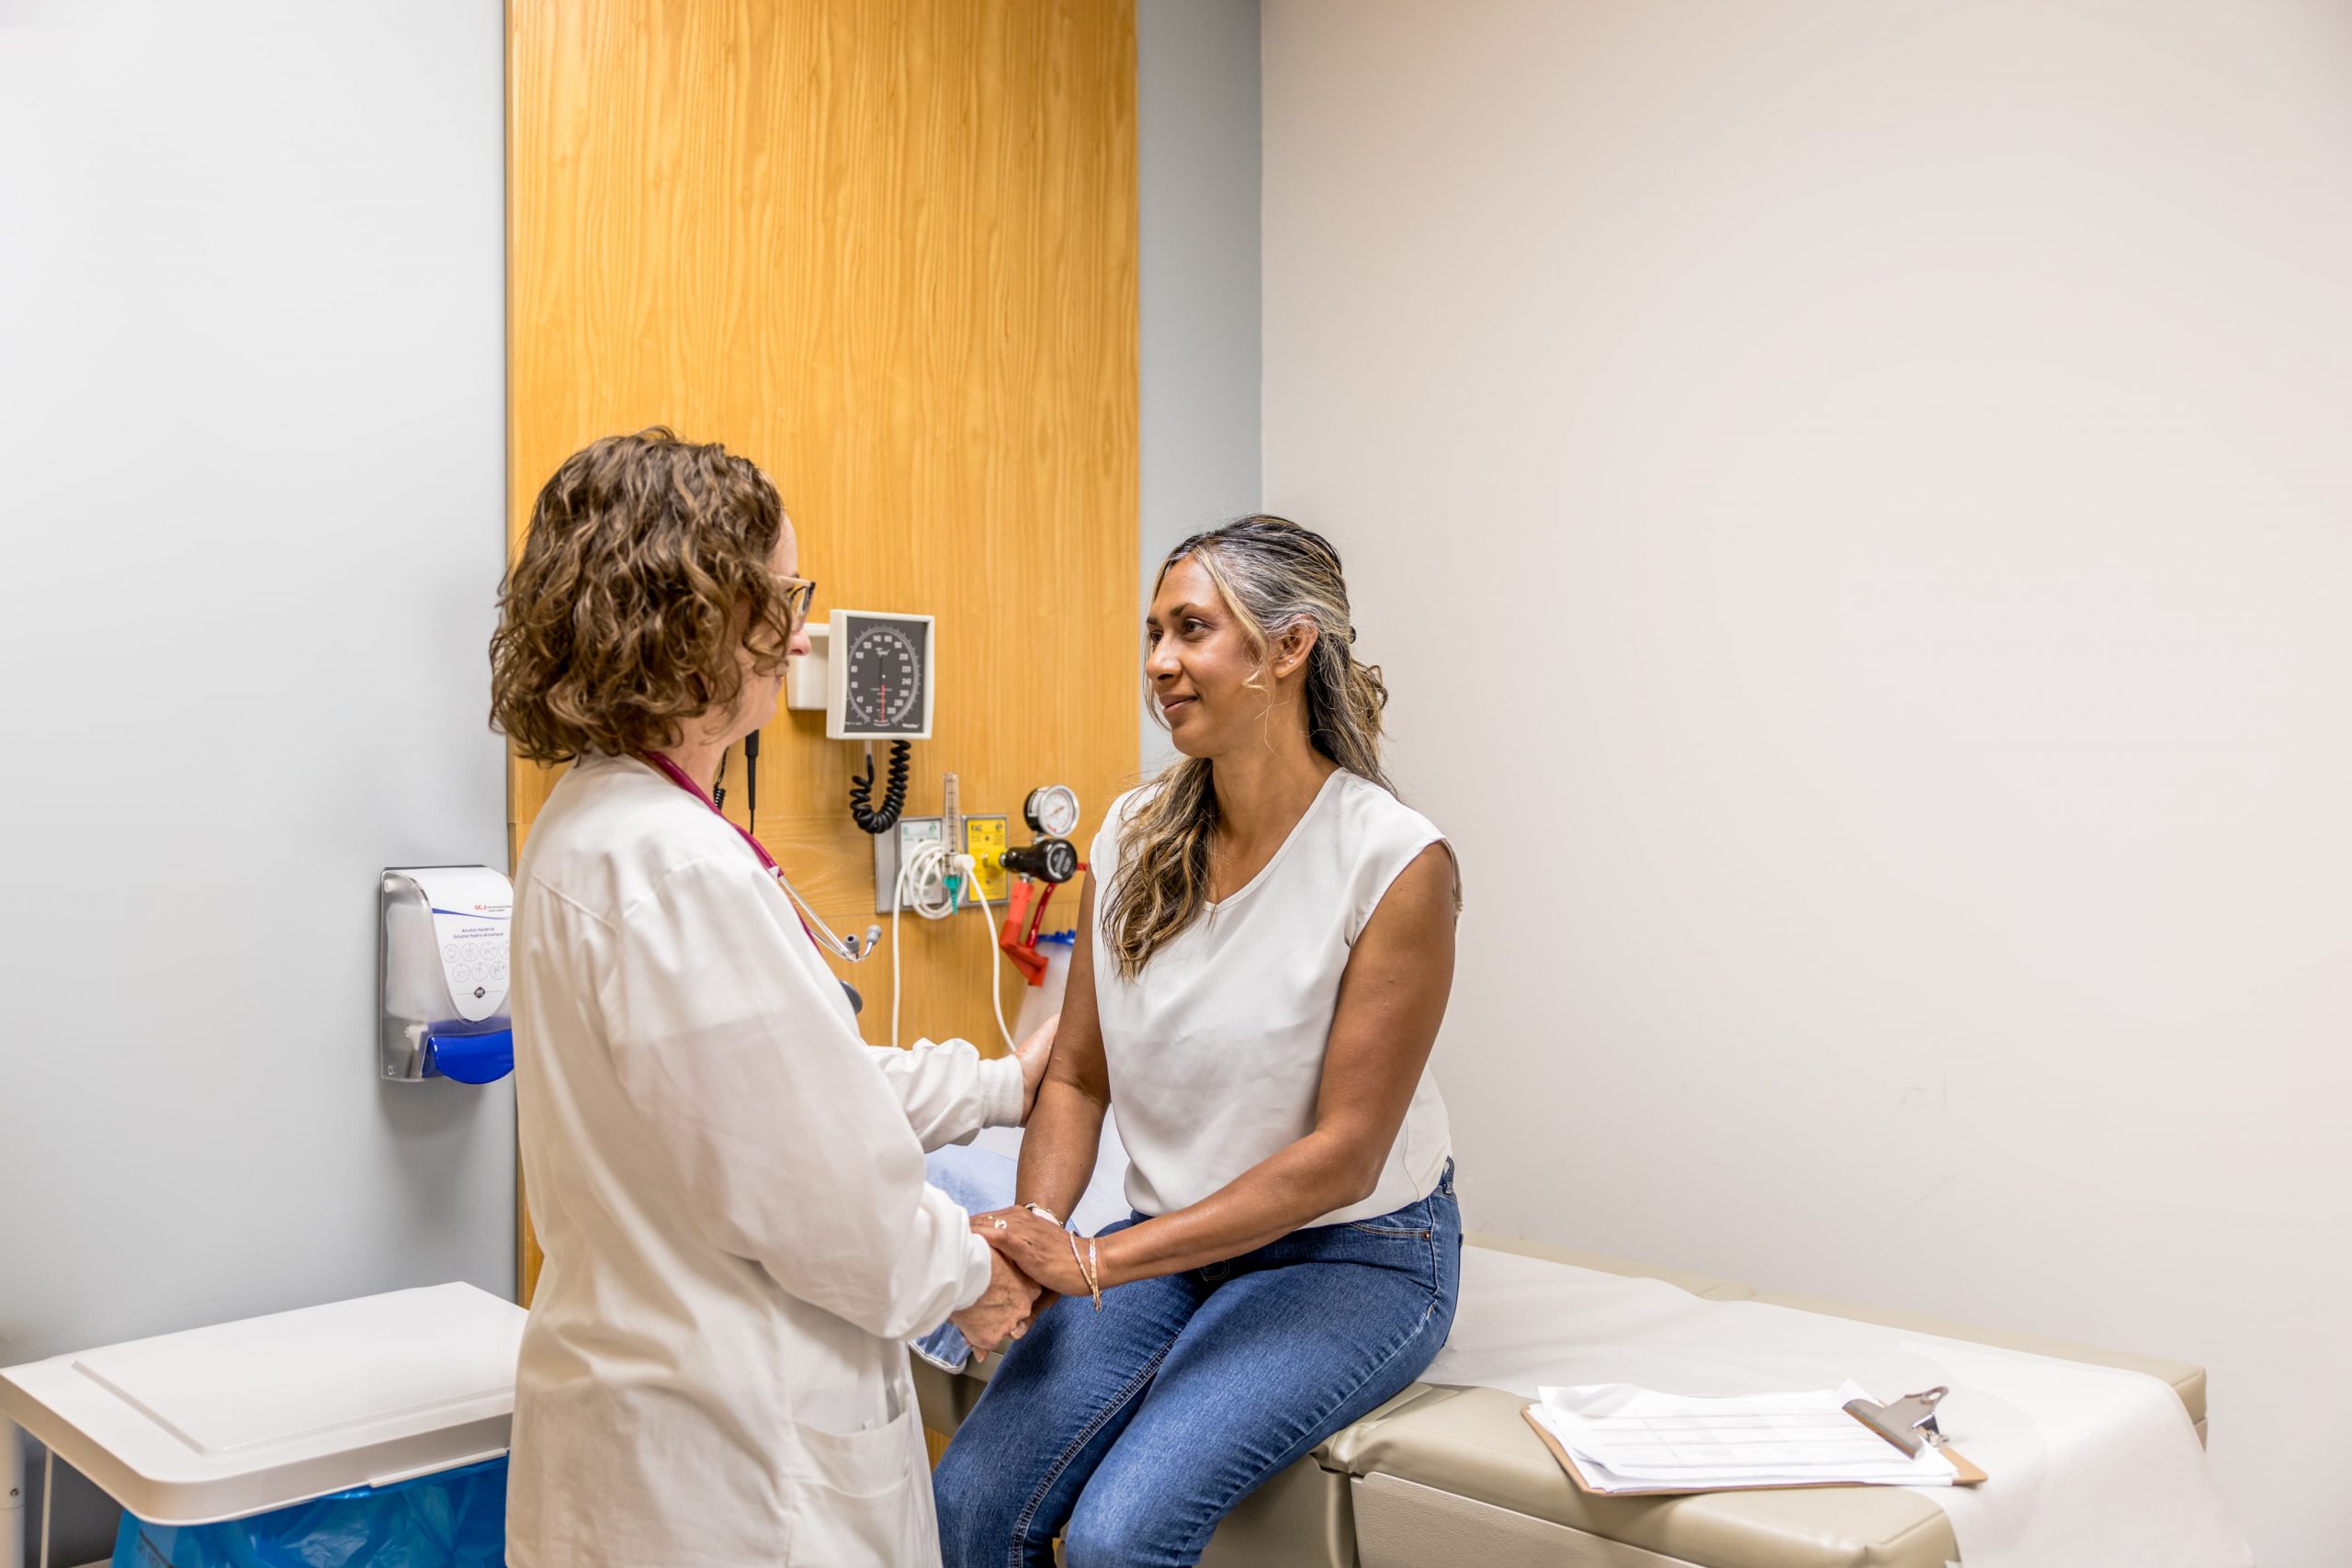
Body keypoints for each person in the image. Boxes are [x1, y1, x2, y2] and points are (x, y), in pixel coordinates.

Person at [490, 428, 1049, 1567]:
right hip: (732, 1477)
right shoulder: (673, 868)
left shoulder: (599, 825)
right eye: (782, 596)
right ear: (692, 617)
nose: (802, 631)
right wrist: (970, 1276)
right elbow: (819, 1190)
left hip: (655, 1435)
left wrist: (1001, 1083)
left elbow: (784, 1089)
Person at [933, 516, 1463, 1567]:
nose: (1158, 664)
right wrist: (1042, 1233)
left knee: (1122, 1537)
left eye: (1190, 630)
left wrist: (1094, 1260)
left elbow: (1342, 1155)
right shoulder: (1130, 836)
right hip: (1167, 1239)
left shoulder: (1392, 862)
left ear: (1288, 646)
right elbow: (1076, 1074)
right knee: (968, 1504)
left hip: (1351, 1254)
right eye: (1153, 634)